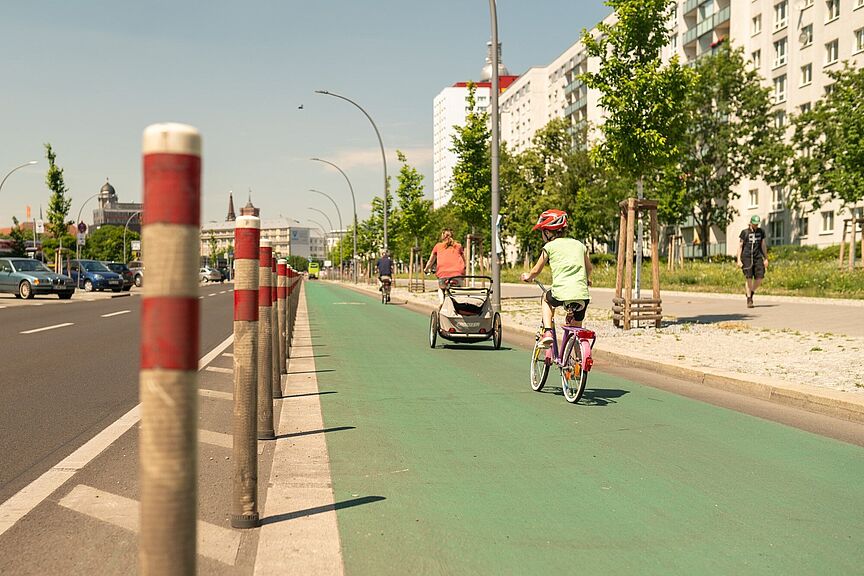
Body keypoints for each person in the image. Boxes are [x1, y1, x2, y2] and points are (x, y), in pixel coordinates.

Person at [520, 209, 591, 348]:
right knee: (576, 328)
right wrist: (586, 280)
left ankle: (547, 333)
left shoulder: (549, 247)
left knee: (545, 299)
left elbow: (536, 270)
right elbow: (589, 268)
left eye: (542, 231)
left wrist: (528, 276)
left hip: (560, 293)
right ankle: (577, 362)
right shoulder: (579, 245)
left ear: (548, 232)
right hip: (582, 295)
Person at [424, 228, 466, 305]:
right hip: (457, 274)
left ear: (442, 236)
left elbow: (430, 261)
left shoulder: (438, 246)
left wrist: (426, 269)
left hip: (443, 275)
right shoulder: (458, 246)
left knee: (441, 288)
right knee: (459, 287)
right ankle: (459, 304)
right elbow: (464, 261)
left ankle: (441, 301)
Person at [737, 215, 768, 308]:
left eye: (757, 224)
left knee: (760, 277)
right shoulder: (744, 232)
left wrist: (766, 258)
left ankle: (751, 292)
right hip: (747, 257)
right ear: (750, 223)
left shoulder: (761, 232)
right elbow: (740, 246)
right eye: (754, 224)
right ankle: (749, 299)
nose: (755, 226)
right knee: (749, 277)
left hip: (757, 257)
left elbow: (763, 245)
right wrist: (738, 259)